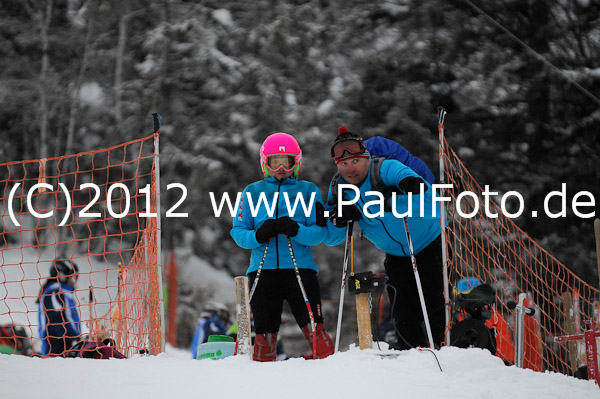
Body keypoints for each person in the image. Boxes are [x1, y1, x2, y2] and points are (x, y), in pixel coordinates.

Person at [324, 126, 445, 350]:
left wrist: (407, 185)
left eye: (355, 162)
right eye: (343, 164)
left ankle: (441, 347)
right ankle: (410, 351)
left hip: (426, 241)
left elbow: (406, 177)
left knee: (433, 297)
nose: (350, 168)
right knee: (401, 305)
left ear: (366, 158)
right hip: (396, 252)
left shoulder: (383, 168)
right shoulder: (340, 189)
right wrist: (339, 217)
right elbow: (332, 232)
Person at [230, 132, 334, 361]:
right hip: (263, 270)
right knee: (265, 330)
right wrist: (258, 235)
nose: (280, 168)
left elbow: (319, 233)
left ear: (295, 163)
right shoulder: (251, 192)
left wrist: (297, 230)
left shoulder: (308, 190)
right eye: (274, 162)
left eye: (286, 162)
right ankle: (262, 374)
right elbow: (238, 232)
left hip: (301, 269)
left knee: (314, 325)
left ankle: (327, 367)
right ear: (265, 163)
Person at [37, 260, 81, 356]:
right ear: (61, 276)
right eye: (72, 278)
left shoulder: (64, 294)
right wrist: (74, 339)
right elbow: (57, 320)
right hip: (56, 350)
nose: (74, 282)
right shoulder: (54, 293)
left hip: (66, 348)